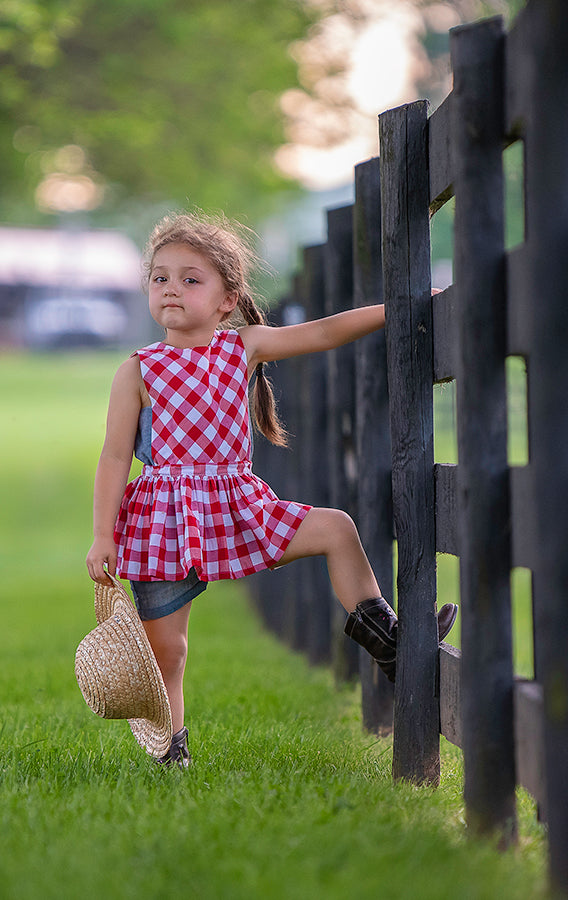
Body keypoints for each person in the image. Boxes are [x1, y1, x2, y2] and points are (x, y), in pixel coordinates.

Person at [86, 212, 456, 768]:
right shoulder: (137, 371)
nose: (171, 290)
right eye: (160, 278)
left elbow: (324, 331)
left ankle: (392, 644)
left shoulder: (245, 348)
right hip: (162, 518)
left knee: (336, 528)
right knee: (168, 651)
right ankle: (172, 750)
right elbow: (115, 457)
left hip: (237, 507)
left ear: (226, 299)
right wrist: (101, 536)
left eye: (191, 280)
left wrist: (398, 308)